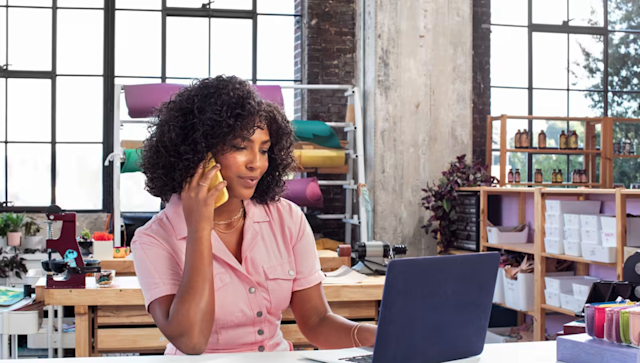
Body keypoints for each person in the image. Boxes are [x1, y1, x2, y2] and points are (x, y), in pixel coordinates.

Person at [131, 76, 377, 355]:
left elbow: (317, 321)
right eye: (240, 147)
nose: (256, 164)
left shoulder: (288, 219)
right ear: (199, 151)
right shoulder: (154, 239)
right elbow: (191, 340)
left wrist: (377, 334)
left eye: (263, 149)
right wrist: (199, 229)